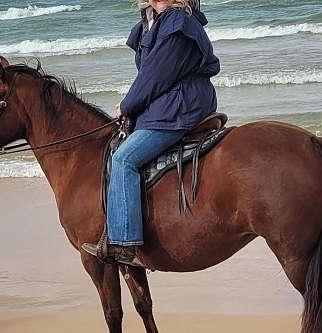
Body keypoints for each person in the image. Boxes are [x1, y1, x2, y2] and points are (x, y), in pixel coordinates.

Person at [82, 0, 220, 266]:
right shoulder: (154, 22)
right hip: (169, 105)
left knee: (124, 159)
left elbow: (155, 76)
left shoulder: (177, 23)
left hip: (178, 107)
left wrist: (127, 106)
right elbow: (150, 76)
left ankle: (124, 244)